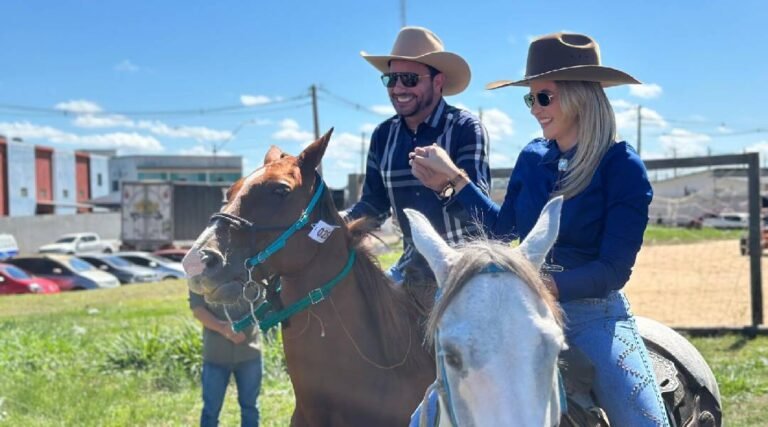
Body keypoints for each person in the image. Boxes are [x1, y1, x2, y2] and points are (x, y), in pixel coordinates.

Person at [409, 32, 670, 426]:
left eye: (543, 97)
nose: (534, 109)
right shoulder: (532, 157)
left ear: (580, 94)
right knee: (429, 413)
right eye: (529, 98)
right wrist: (454, 182)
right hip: (521, 309)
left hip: (595, 316)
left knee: (643, 420)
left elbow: (613, 270)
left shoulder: (622, 166)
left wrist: (545, 287)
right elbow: (502, 228)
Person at [344, 26, 491, 284]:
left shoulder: (464, 128)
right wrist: (330, 223)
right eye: (391, 79)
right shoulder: (383, 136)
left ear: (438, 81)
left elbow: (480, 217)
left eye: (409, 79)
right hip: (412, 266)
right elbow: (373, 207)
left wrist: (445, 184)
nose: (398, 87)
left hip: (467, 266)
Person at [189, 291, 262, 427]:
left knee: (250, 408)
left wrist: (241, 327)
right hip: (215, 354)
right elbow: (198, 309)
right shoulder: (200, 273)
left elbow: (260, 305)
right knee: (211, 410)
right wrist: (223, 328)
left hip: (249, 351)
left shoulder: (250, 271)